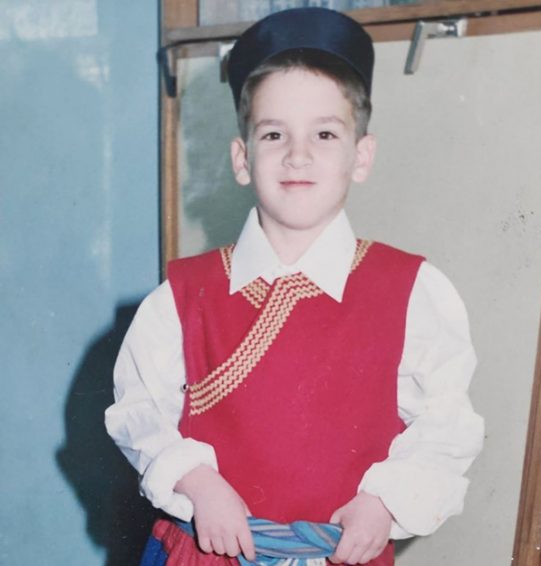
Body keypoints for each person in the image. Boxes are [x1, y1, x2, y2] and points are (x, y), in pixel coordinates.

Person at [105, 7, 484, 566]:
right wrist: (197, 482)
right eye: (274, 133)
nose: (298, 154)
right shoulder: (182, 298)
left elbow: (446, 425)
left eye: (325, 133)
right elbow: (138, 412)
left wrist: (385, 501)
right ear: (242, 158)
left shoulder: (412, 292)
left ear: (361, 156)